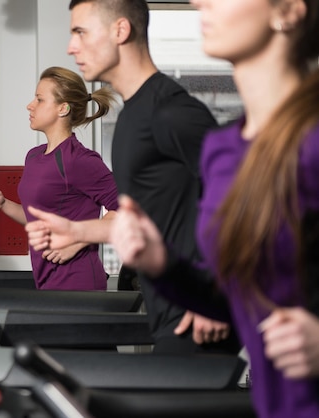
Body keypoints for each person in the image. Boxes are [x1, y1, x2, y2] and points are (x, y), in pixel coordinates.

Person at [106, 0, 319, 416]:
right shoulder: (224, 150)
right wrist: (160, 263)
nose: (199, 1)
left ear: (289, 11)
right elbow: (238, 298)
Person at [26, 0, 238, 354]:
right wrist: (81, 232)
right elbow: (149, 215)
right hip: (167, 306)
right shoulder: (131, 119)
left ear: (120, 31)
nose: (71, 46)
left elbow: (243, 200)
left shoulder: (172, 112)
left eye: (81, 32)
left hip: (198, 314)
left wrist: (216, 292)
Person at [0, 66, 119, 290]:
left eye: (39, 99)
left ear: (63, 108)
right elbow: (38, 219)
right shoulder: (34, 156)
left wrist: (78, 241)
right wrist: (3, 204)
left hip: (78, 281)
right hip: (46, 280)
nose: (30, 105)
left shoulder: (79, 160)